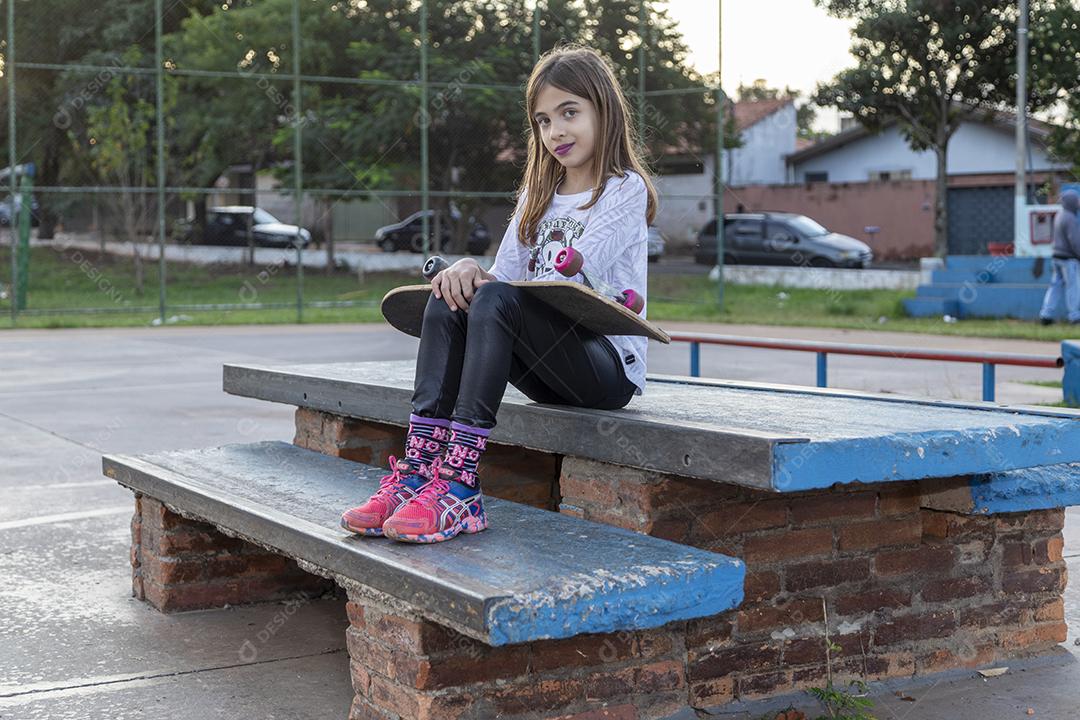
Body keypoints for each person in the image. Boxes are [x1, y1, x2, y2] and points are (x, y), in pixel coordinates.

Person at [340, 45, 658, 544]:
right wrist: (467, 270)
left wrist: (492, 285)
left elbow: (576, 276)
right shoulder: (537, 197)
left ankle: (461, 486)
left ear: (604, 110)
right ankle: (420, 473)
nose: (556, 132)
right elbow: (501, 280)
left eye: (570, 113)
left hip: (605, 367)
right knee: (453, 294)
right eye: (543, 120)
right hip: (546, 368)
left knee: (489, 297)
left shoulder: (623, 189)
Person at [1039, 190, 1080, 325]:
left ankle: (1046, 315)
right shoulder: (1070, 218)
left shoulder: (1059, 215)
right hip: (1068, 258)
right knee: (1072, 286)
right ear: (1072, 201)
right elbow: (1075, 241)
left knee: (1055, 286)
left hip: (1056, 256)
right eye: (1077, 200)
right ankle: (1074, 316)